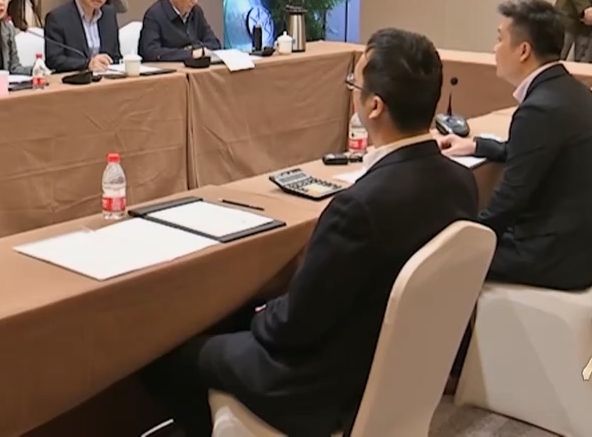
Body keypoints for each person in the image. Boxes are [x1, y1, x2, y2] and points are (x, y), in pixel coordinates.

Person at [141, 28, 477, 437]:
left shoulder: (358, 208)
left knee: (164, 355)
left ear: (374, 106)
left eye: (354, 85)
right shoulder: (461, 182)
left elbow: (294, 327)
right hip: (392, 368)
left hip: (319, 387)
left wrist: (259, 316)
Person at [438, 0, 592, 291]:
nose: (494, 49)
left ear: (523, 50)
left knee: (434, 260)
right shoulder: (572, 91)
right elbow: (537, 151)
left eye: (500, 39)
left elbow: (508, 202)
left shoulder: (539, 109)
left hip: (556, 256)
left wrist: (462, 241)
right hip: (588, 246)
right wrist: (478, 146)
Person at [43, 0, 123, 73]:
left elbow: (116, 55)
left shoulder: (109, 15)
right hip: (74, 79)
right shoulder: (58, 18)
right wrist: (87, 64)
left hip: (106, 78)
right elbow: (54, 60)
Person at [139, 0, 222, 61]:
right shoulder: (155, 14)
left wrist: (195, 49)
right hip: (168, 68)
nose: (195, 0)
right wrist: (189, 53)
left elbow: (214, 43)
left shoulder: (196, 12)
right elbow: (150, 52)